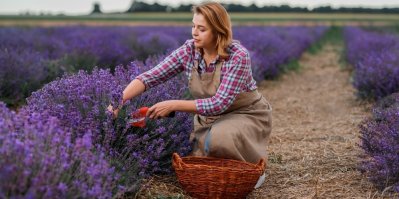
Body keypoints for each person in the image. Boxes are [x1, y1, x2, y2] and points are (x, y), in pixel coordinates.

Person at [110, 1, 272, 187]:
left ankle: (251, 172)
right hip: (209, 119)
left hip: (244, 113)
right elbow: (150, 77)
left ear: (219, 31)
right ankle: (223, 172)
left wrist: (172, 105)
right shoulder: (189, 50)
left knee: (222, 137)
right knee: (206, 154)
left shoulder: (237, 56)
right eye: (193, 26)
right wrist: (119, 101)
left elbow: (219, 104)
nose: (194, 32)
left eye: (201, 29)